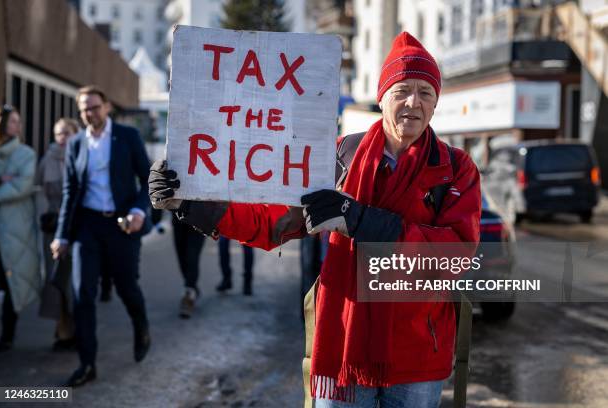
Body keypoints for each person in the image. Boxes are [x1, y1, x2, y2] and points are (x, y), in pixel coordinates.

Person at [149, 32, 481, 407]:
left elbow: (456, 254)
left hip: (418, 353)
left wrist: (359, 221)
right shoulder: (338, 155)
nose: (413, 102)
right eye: (402, 89)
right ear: (382, 96)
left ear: (436, 102)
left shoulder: (456, 168)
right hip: (342, 346)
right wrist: (192, 204)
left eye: (425, 92)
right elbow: (272, 221)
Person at [51, 85, 152, 387]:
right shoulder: (77, 143)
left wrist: (138, 211)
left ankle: (141, 326)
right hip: (87, 226)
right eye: (83, 109)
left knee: (126, 287)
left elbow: (148, 181)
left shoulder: (128, 137)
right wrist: (62, 236)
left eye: (94, 107)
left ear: (107, 106)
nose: (89, 114)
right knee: (83, 295)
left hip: (121, 225)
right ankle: (87, 363)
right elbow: (70, 192)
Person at [0, 105, 41, 352]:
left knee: (11, 277)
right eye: (13, 121)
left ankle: (7, 335)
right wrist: (2, 179)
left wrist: (4, 182)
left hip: (14, 228)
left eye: (19, 121)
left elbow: (22, 185)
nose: (18, 126)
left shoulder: (25, 153)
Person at [36, 118, 79, 351]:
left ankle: (76, 328)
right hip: (52, 227)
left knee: (73, 280)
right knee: (54, 280)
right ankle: (62, 329)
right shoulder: (47, 159)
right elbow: (38, 191)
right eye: (58, 134)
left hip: (75, 226)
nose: (62, 138)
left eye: (66, 133)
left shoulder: (82, 156)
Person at [172, 215, 205, 318]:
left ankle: (188, 295)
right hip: (178, 218)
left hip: (199, 219)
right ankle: (192, 286)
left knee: (192, 257)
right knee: (182, 258)